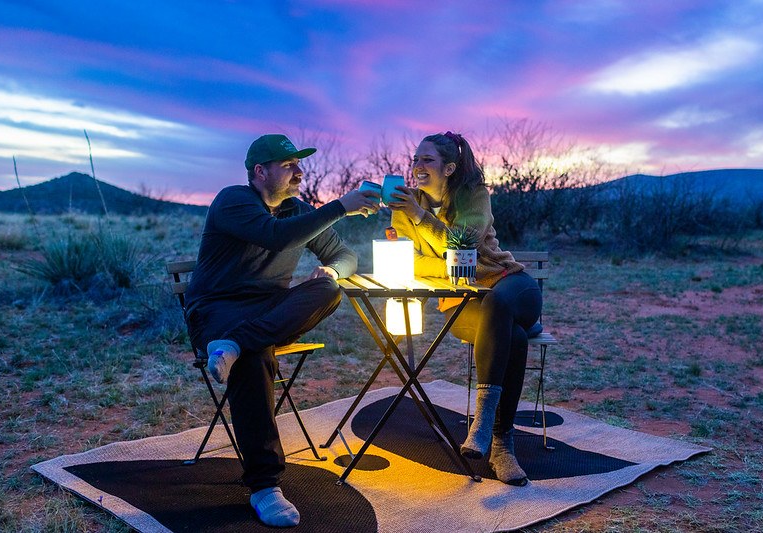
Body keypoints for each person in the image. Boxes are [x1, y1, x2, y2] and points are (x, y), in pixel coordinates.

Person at [184, 134, 379, 527]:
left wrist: (332, 269)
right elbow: (275, 237)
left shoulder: (295, 209)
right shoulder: (233, 200)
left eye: (299, 164)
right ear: (260, 172)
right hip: (217, 311)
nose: (299, 172)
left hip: (261, 316)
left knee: (328, 289)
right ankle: (265, 486)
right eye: (289, 165)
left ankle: (238, 344)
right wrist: (341, 206)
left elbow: (345, 255)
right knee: (255, 359)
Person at [387, 131, 542, 486]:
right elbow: (410, 261)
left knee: (499, 304)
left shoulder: (473, 195)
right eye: (415, 159)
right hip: (462, 304)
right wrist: (452, 261)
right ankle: (502, 445)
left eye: (427, 160)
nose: (417, 166)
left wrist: (425, 227)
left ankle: (484, 425)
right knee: (513, 335)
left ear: (450, 167)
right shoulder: (405, 204)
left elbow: (464, 243)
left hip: (508, 282)